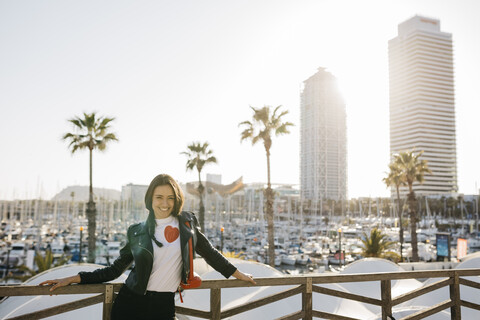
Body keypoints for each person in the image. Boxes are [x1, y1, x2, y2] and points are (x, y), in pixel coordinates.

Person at [40, 173, 256, 320]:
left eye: (170, 198)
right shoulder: (138, 231)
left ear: (177, 199)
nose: (164, 203)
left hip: (163, 305)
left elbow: (210, 254)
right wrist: (72, 278)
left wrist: (239, 275)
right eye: (159, 197)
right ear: (150, 199)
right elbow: (115, 270)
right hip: (130, 303)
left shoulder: (187, 225)